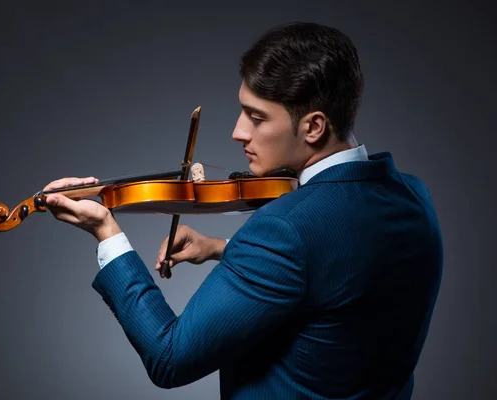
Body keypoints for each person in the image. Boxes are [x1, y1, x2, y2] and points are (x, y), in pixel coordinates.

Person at [42, 21, 443, 400]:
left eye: (256, 117)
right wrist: (219, 247)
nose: (238, 131)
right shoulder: (412, 197)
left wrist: (107, 234)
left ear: (314, 127)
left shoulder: (283, 230)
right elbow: (339, 268)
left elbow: (169, 357)